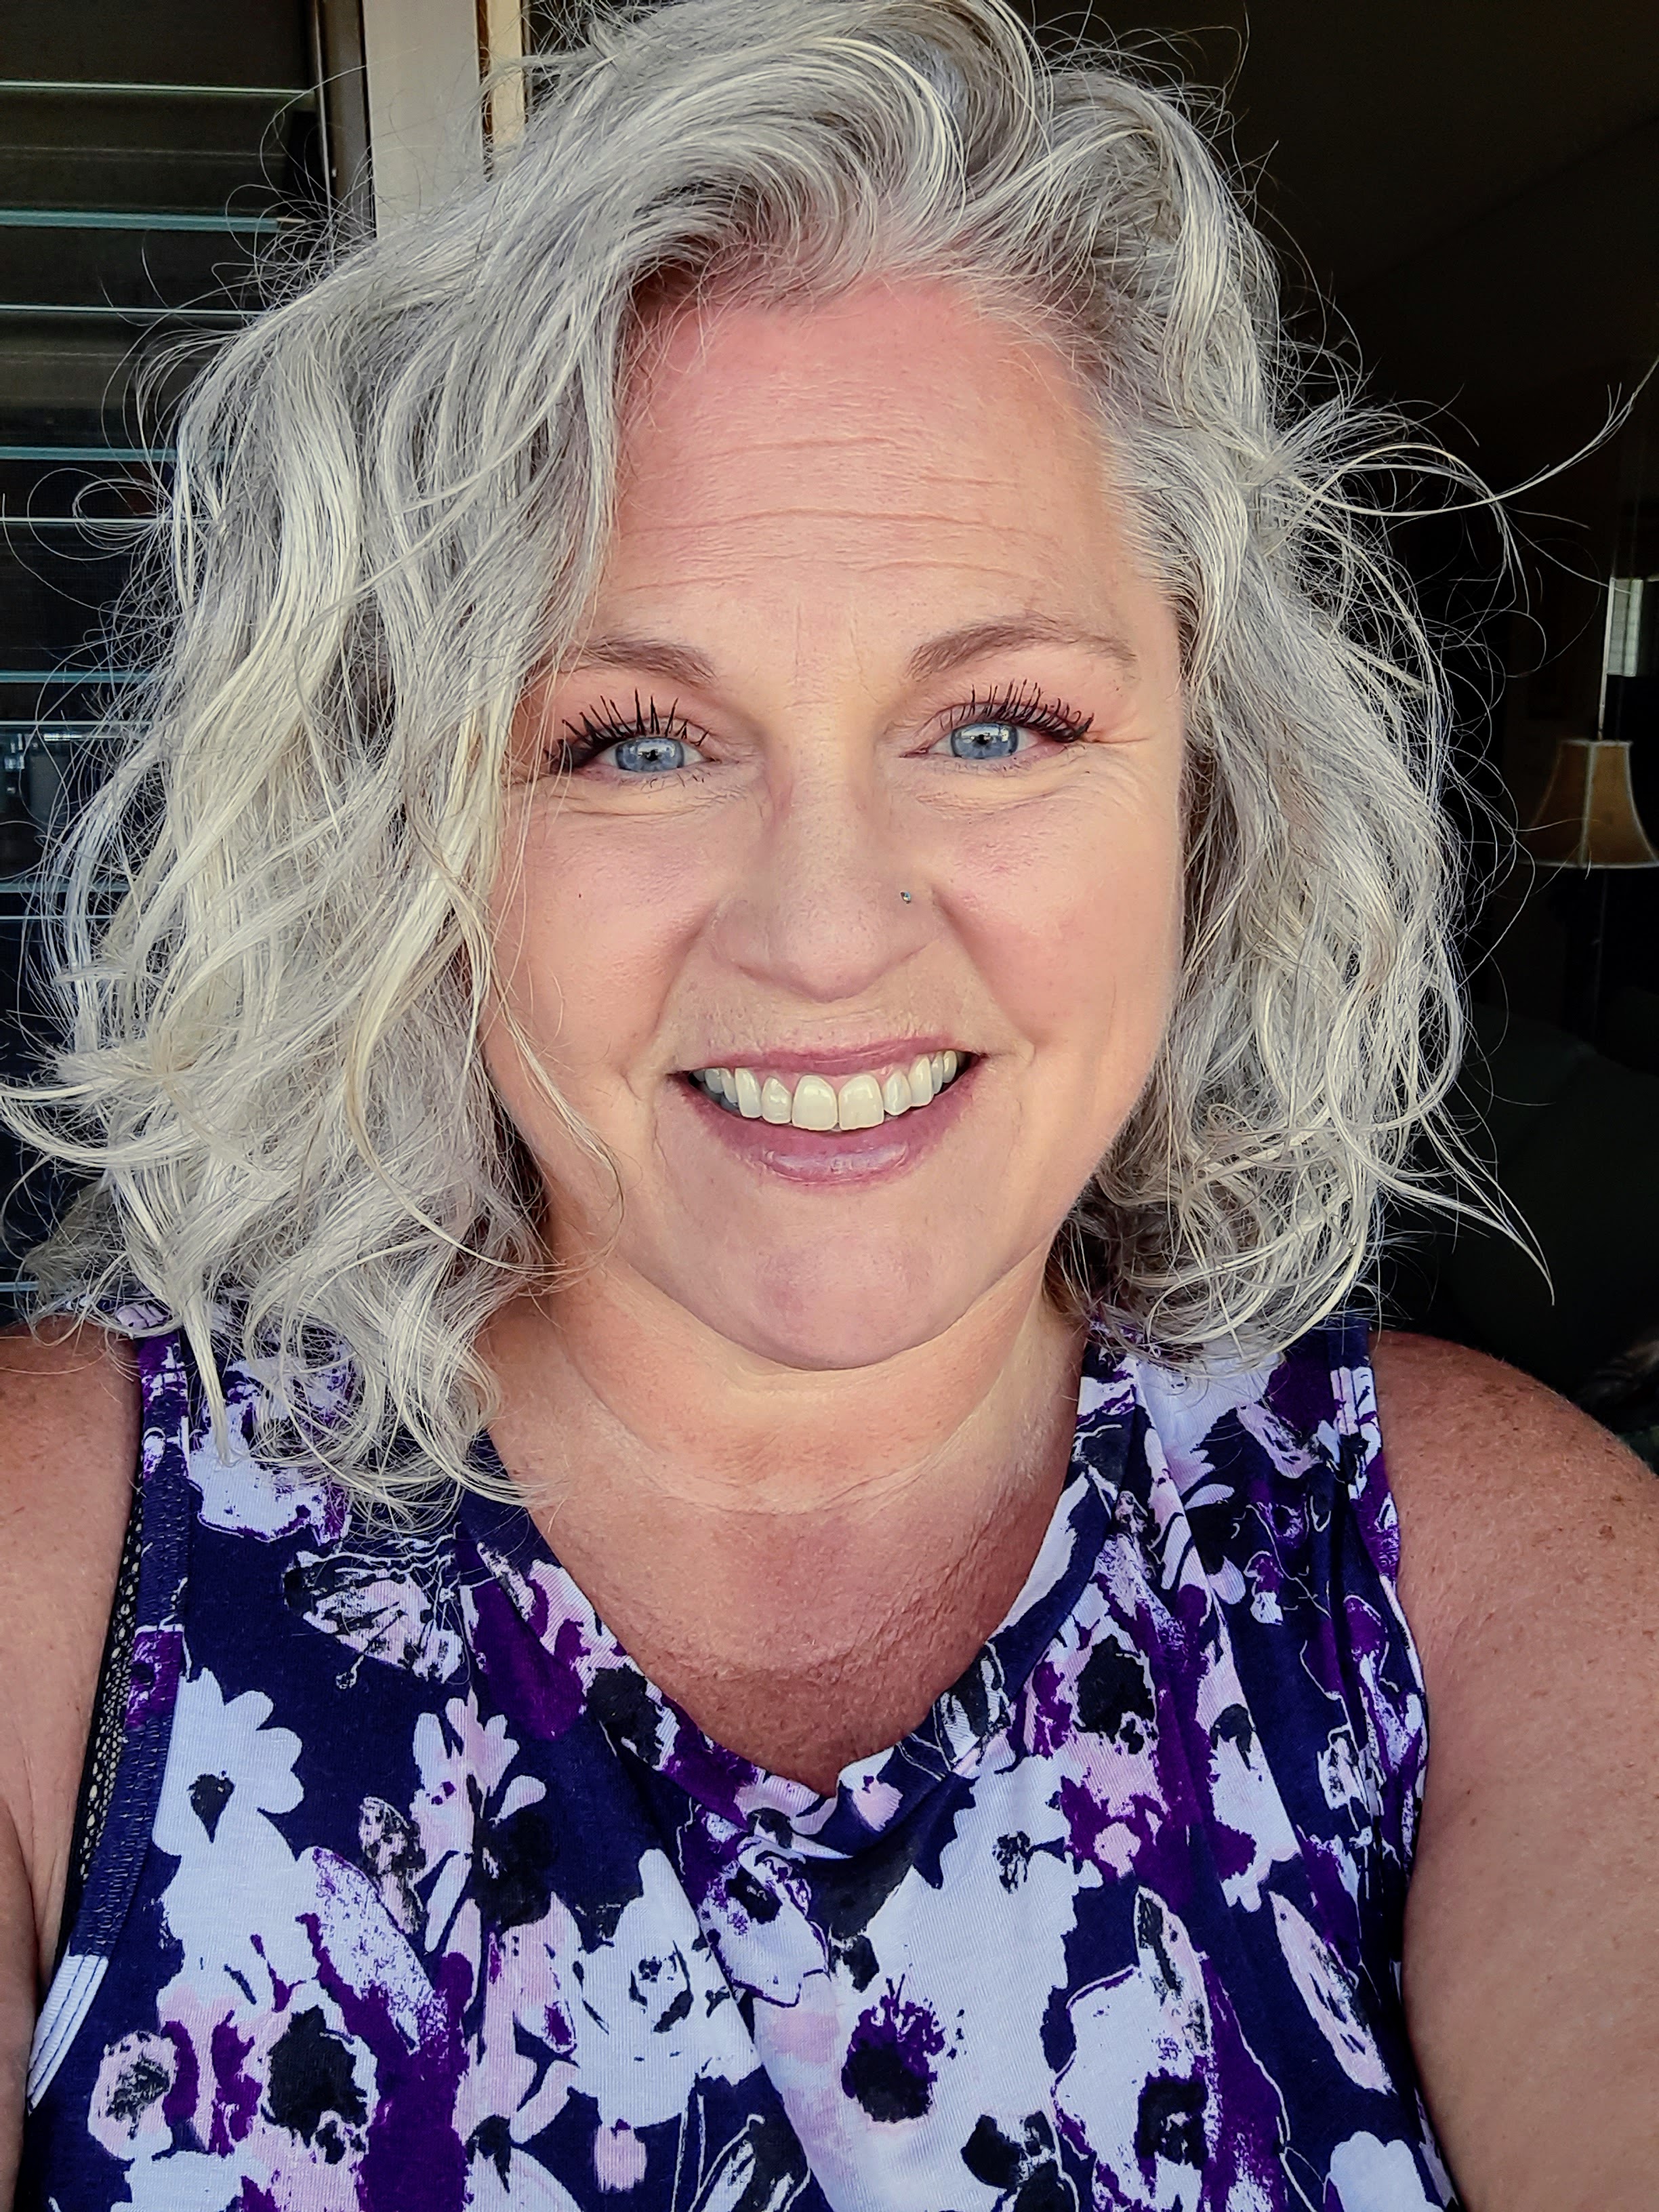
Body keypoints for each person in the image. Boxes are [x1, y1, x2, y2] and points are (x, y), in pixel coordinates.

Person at [1, 1, 1655, 2205]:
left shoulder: (1477, 1583)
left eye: (996, 725)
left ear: (1207, 787)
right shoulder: (67, 1561)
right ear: (411, 839)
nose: (824, 931)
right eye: (631, 741)